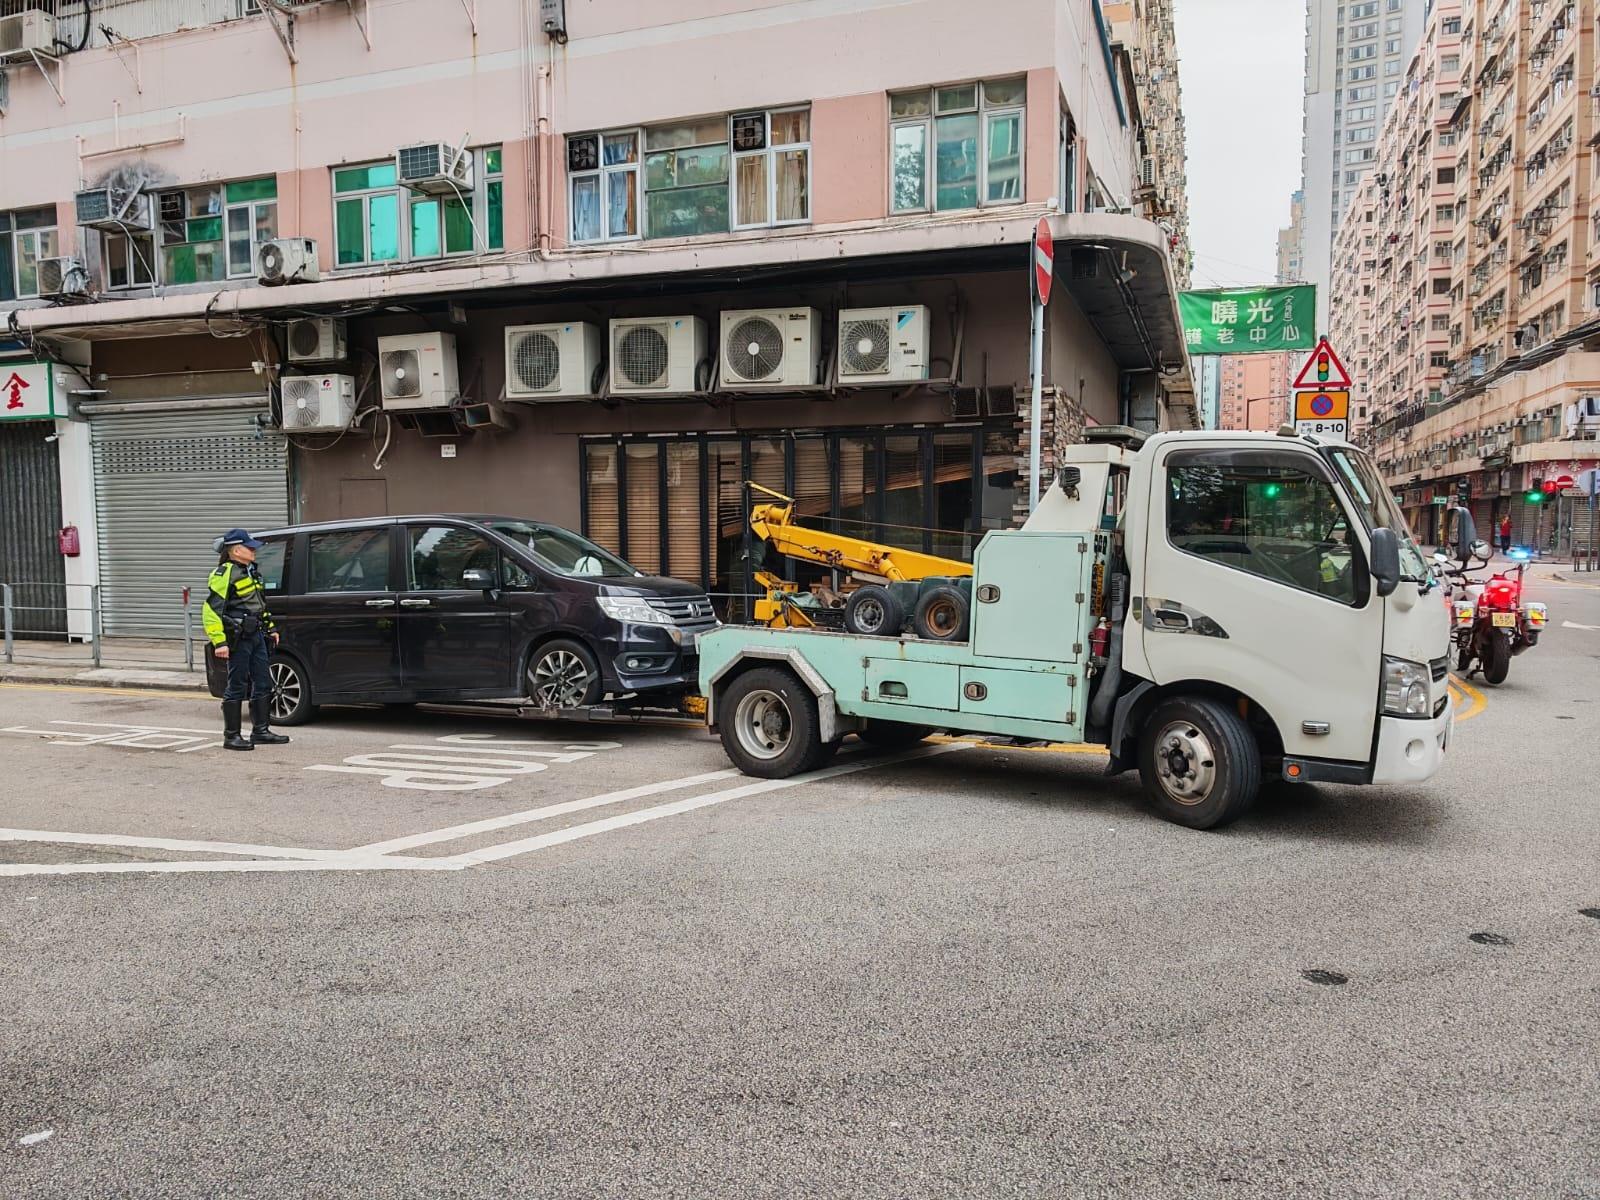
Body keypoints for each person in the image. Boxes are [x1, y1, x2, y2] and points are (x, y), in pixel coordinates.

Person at [202, 529, 290, 752]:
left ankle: (261, 731)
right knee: (237, 684)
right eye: (249, 547)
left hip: (257, 635)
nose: (253, 550)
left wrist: (270, 629)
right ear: (236, 550)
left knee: (263, 681)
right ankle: (231, 736)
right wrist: (219, 642)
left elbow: (259, 605)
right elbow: (211, 610)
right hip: (238, 638)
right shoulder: (224, 573)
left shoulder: (251, 571)